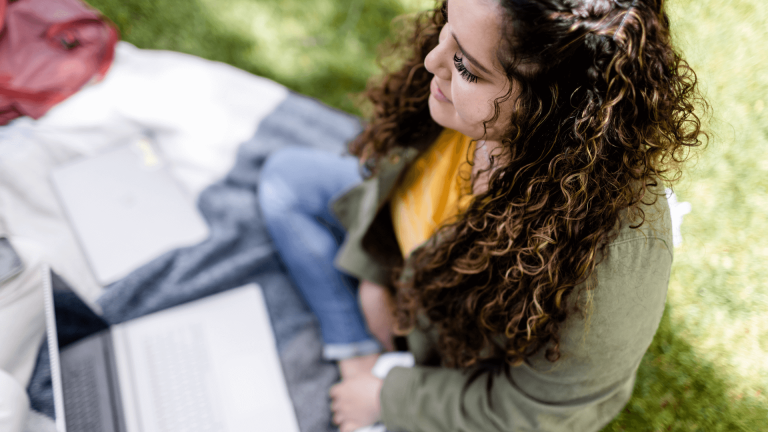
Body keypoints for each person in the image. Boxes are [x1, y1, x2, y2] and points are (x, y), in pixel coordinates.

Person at [258, 0, 706, 431]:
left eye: (467, 68)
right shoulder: (452, 95)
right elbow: (391, 188)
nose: (433, 60)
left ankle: (368, 366)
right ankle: (357, 353)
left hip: (459, 366)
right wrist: (373, 273)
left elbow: (537, 410)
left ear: (555, 108)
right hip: (410, 281)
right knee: (284, 181)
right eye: (446, 28)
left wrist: (385, 397)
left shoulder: (610, 259)